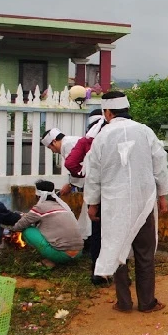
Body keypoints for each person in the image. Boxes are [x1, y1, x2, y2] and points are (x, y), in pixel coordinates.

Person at [84, 91, 168, 313]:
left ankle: (123, 303)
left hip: (114, 206)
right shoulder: (145, 132)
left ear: (107, 112)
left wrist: (92, 203)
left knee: (118, 252)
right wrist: (163, 195)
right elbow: (160, 165)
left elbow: (93, 174)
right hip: (143, 203)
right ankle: (147, 302)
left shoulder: (102, 137)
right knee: (145, 254)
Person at [64, 108, 108, 286]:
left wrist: (83, 175)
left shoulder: (87, 141)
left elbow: (71, 163)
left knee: (97, 232)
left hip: (97, 195)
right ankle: (121, 273)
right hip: (120, 193)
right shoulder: (124, 135)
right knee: (119, 233)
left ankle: (98, 273)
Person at [5, 180, 84, 268]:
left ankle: (51, 260)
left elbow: (20, 225)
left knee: (27, 230)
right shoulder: (63, 206)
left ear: (38, 195)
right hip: (78, 253)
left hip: (61, 255)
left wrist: (10, 228)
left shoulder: (40, 207)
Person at [41, 127, 84, 196]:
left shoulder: (68, 145)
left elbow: (78, 167)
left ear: (54, 141)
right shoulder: (69, 142)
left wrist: (70, 185)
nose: (53, 151)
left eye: (50, 147)